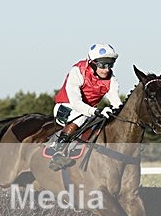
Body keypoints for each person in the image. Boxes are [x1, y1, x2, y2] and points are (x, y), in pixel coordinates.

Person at [49, 43, 123, 171]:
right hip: (66, 107)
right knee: (82, 116)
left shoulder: (111, 79)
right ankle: (58, 152)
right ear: (92, 63)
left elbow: (115, 101)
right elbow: (76, 102)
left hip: (89, 110)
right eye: (102, 65)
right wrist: (95, 111)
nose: (107, 69)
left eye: (110, 65)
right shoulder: (77, 71)